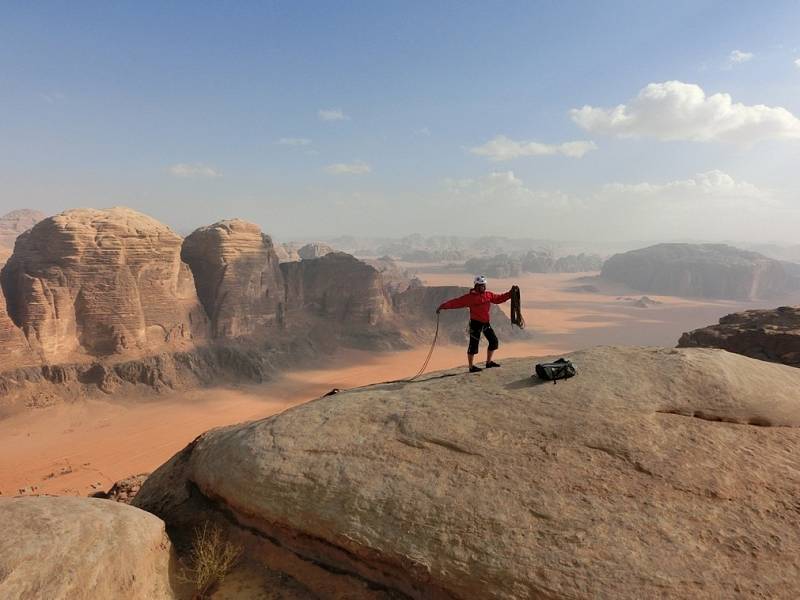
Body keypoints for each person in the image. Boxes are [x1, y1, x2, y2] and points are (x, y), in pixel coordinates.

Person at [437, 275, 513, 373]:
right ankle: (471, 367)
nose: (484, 287)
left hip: (485, 323)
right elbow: (456, 302)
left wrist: (510, 294)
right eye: (481, 285)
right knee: (473, 345)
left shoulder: (488, 295)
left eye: (484, 285)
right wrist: (443, 306)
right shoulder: (470, 298)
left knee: (494, 341)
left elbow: (499, 298)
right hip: (475, 324)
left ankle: (488, 363)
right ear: (476, 286)